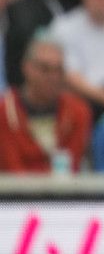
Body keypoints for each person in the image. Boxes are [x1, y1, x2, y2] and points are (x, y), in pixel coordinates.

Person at [0, 38, 93, 173]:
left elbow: (72, 167)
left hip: (64, 192)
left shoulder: (78, 112)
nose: (53, 77)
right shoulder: (4, 113)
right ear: (26, 68)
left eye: (59, 70)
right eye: (45, 69)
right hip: (15, 192)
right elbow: (12, 169)